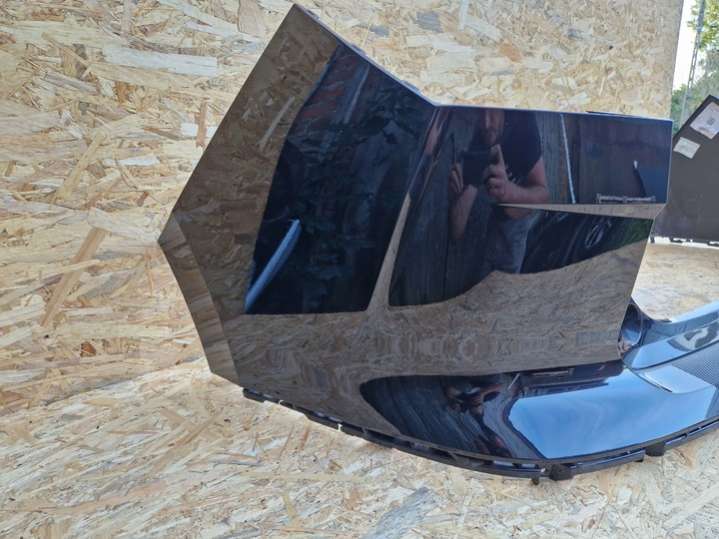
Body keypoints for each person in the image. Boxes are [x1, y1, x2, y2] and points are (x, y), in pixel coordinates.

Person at [448, 108, 550, 273]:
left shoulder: (522, 122)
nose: (486, 123)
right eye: (480, 111)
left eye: (492, 111)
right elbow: (456, 231)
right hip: (492, 222)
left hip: (518, 217)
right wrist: (455, 199)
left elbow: (543, 196)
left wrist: (508, 192)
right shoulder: (477, 139)